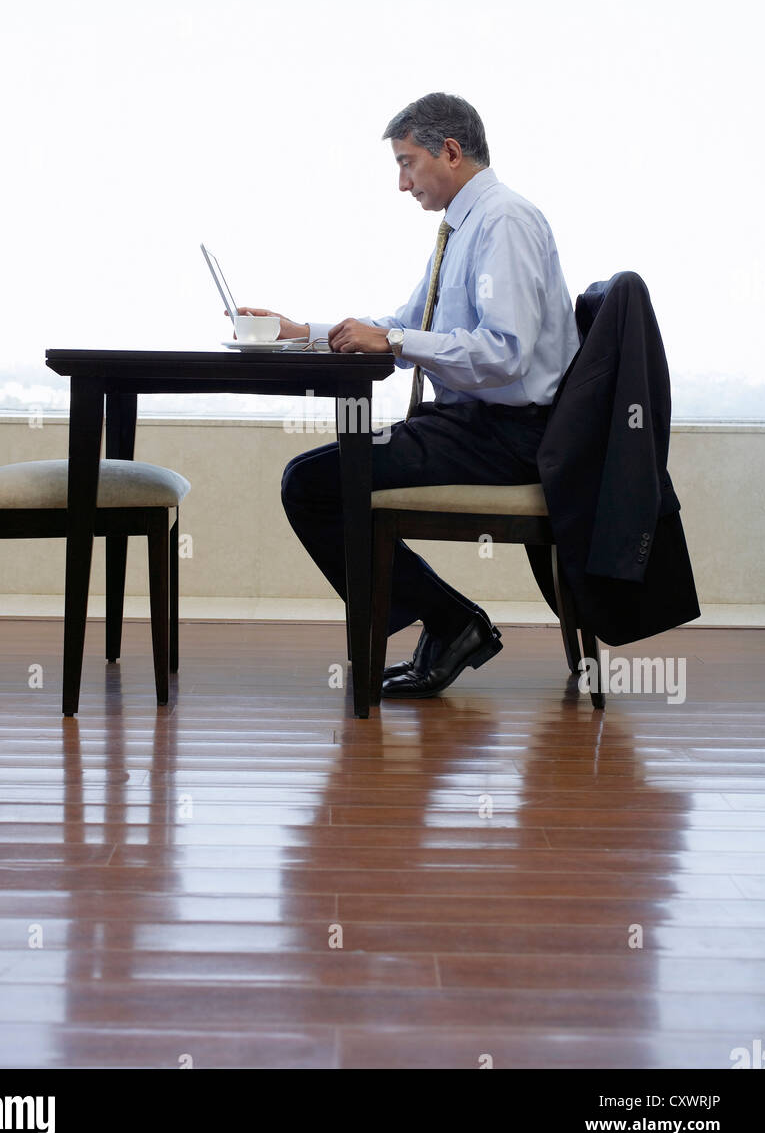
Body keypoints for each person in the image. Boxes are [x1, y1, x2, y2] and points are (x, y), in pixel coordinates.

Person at [235, 92, 580, 696]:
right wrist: (300, 333)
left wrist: (394, 339)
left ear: (449, 152)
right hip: (474, 426)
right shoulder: (465, 225)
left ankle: (453, 623)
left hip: (512, 436)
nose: (402, 183)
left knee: (312, 485)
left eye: (407, 162)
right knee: (318, 480)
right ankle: (452, 622)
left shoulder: (504, 221)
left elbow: (505, 352)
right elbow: (406, 323)